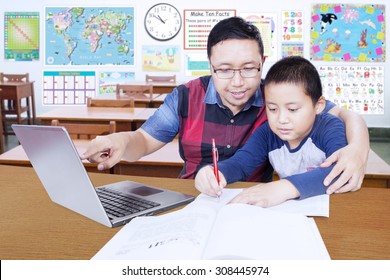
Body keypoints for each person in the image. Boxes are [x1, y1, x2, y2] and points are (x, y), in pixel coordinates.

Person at [82, 16, 369, 196]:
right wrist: (120, 139)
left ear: (262, 63)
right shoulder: (186, 95)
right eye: (224, 70)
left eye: (248, 68)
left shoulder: (278, 95)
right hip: (195, 196)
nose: (238, 82)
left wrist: (357, 149)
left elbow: (342, 115)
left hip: (253, 199)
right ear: (210, 66)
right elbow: (143, 140)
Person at [195, 56, 347, 207]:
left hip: (335, 208)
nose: (281, 119)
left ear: (318, 105)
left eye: (292, 109)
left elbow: (340, 170)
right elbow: (241, 163)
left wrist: (283, 187)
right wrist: (214, 173)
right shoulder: (268, 133)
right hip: (292, 213)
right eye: (273, 109)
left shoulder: (330, 127)